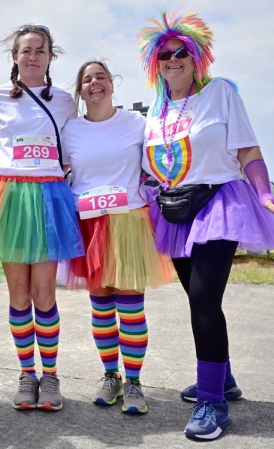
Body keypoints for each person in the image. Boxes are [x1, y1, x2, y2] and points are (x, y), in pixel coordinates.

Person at [137, 10, 274, 440]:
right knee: (198, 299)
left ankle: (213, 404)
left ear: (197, 55)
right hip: (175, 211)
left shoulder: (220, 92)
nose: (173, 59)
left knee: (204, 298)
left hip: (218, 202)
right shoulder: (156, 107)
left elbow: (248, 151)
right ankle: (222, 379)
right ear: (156, 62)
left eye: (181, 52)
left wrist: (263, 193)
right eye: (164, 54)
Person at [0, 24, 84, 411]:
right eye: (26, 50)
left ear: (51, 57)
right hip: (8, 198)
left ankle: (50, 376)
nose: (33, 56)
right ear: (15, 57)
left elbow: (79, 147)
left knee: (44, 293)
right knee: (17, 294)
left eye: (40, 50)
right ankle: (26, 373)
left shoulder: (66, 101)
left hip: (50, 195)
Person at [60, 60, 173, 414]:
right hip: (90, 224)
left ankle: (135, 383)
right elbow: (58, 170)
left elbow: (157, 164)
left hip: (128, 221)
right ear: (80, 90)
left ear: (112, 84)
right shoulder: (70, 130)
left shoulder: (136, 123)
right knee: (101, 305)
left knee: (131, 305)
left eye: (101, 77)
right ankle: (111, 377)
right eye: (87, 79)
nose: (95, 83)